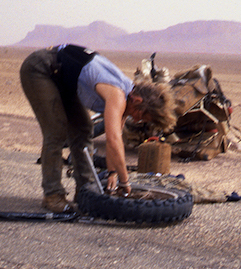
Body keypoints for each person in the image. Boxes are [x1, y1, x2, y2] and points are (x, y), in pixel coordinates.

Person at [20, 44, 177, 213]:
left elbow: (114, 141)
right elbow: (113, 141)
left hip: (64, 79)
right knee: (56, 131)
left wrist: (112, 174)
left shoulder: (127, 98)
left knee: (83, 129)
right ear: (138, 100)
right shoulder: (118, 95)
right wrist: (125, 182)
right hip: (41, 69)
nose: (137, 120)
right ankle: (52, 195)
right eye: (142, 116)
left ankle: (85, 191)